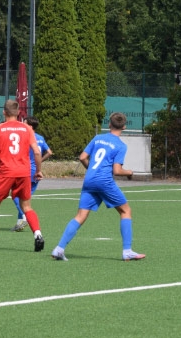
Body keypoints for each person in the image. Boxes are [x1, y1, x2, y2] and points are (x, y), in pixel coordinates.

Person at [50, 112, 145, 262]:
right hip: (104, 181)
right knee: (125, 211)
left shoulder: (98, 138)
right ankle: (127, 251)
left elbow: (82, 157)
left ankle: (59, 248)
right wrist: (129, 172)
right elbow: (117, 171)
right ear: (124, 127)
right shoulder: (121, 145)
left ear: (109, 124)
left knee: (80, 215)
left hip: (89, 180)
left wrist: (90, 170)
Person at [0, 100, 44, 253]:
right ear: (18, 113)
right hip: (24, 173)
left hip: (6, 172)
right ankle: (38, 235)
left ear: (4, 112)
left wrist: (2, 166)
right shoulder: (27, 128)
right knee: (26, 206)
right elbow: (37, 152)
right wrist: (38, 171)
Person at [13, 116, 52, 231]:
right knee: (25, 199)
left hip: (25, 170)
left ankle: (24, 216)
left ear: (30, 126)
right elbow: (49, 152)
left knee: (15, 195)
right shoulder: (40, 137)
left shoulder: (25, 136)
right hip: (36, 170)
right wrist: (39, 161)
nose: (22, 124)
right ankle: (19, 223)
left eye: (24, 123)